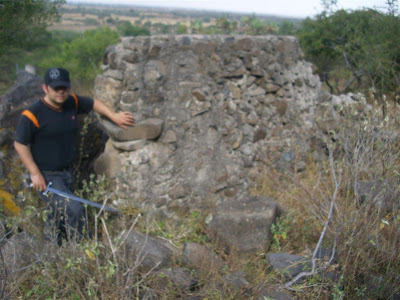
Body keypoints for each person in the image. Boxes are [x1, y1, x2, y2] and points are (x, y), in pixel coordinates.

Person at [14, 67, 135, 244]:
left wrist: (113, 115)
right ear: (45, 88)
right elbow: (20, 143)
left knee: (56, 214)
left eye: (64, 87)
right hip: (47, 176)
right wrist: (34, 173)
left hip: (68, 173)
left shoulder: (72, 102)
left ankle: (53, 251)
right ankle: (80, 251)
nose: (61, 92)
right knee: (75, 209)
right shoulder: (32, 114)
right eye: (56, 88)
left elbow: (93, 103)